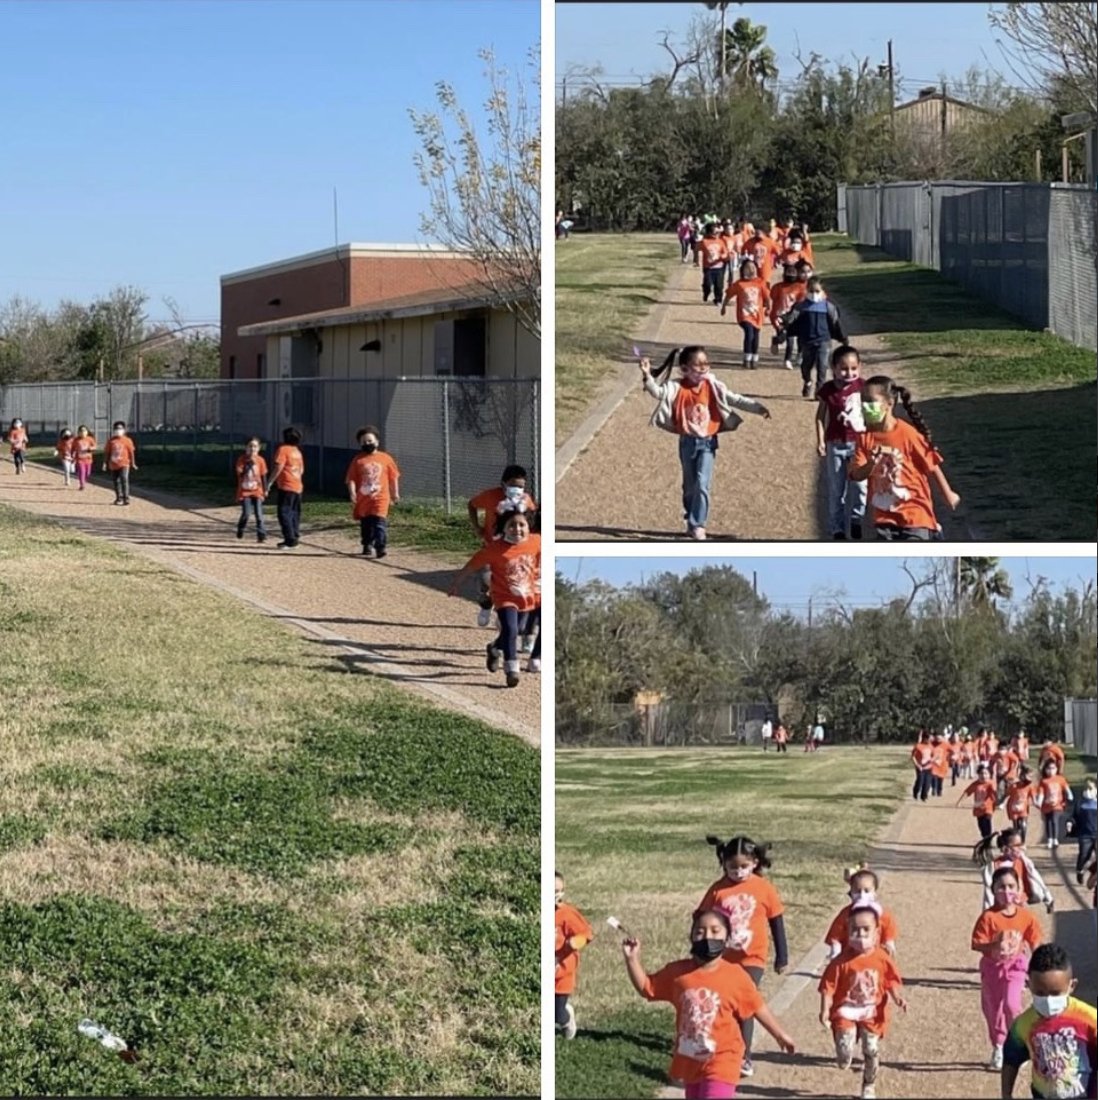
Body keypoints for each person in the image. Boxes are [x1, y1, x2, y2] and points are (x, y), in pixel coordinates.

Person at [621, 908, 796, 1098]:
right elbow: (647, 988)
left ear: (727, 939)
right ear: (691, 938)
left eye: (715, 931)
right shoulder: (678, 974)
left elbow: (756, 1006)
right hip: (691, 1058)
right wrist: (632, 959)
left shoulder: (736, 976)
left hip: (724, 1057)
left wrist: (779, 1034)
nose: (706, 937)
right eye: (699, 932)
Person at [638, 346, 771, 542]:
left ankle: (698, 524)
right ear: (684, 369)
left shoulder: (713, 386)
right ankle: (690, 516)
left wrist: (758, 408)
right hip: (687, 443)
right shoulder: (677, 387)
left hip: (708, 442)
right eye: (697, 365)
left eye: (705, 364)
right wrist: (647, 374)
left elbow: (734, 399)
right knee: (690, 486)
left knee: (702, 483)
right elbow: (657, 392)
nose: (703, 368)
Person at [698, 835, 789, 1078]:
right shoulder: (718, 889)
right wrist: (700, 947)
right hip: (722, 958)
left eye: (744, 867)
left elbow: (776, 922)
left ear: (755, 862)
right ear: (723, 864)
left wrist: (782, 955)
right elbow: (701, 917)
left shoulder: (763, 888)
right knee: (721, 1004)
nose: (738, 872)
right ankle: (721, 1046)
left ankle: (744, 1057)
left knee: (743, 1004)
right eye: (732, 867)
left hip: (752, 958)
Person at [849, 375, 961, 541]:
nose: (866, 407)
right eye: (863, 401)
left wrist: (947, 494)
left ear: (889, 403)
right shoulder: (865, 438)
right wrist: (871, 464)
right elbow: (855, 474)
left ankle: (934, 532)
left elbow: (932, 464)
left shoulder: (907, 434)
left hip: (915, 512)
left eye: (871, 401)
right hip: (884, 516)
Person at [819, 905, 907, 1100]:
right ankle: (843, 1052)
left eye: (866, 929)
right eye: (855, 930)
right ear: (848, 932)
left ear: (876, 933)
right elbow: (828, 987)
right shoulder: (840, 962)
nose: (860, 934)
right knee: (845, 1046)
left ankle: (869, 1085)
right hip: (846, 1009)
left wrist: (897, 997)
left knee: (871, 1049)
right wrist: (825, 1010)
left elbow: (890, 980)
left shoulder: (882, 959)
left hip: (872, 1010)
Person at [448, 508, 541, 686]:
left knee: (517, 629)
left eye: (522, 525)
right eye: (512, 525)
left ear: (529, 527)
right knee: (511, 629)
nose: (517, 529)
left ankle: (494, 647)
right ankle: (511, 668)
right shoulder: (495, 549)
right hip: (503, 596)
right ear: (504, 528)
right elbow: (471, 566)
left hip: (525, 595)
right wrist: (456, 583)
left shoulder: (536, 542)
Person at [971, 866, 1044, 1070]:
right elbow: (976, 943)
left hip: (1016, 966)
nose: (1006, 891)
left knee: (1012, 1005)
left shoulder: (1025, 916)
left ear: (1019, 888)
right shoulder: (988, 917)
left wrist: (1038, 960)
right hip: (992, 968)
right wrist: (993, 946)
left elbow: (1034, 938)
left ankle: (1018, 1045)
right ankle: (999, 1046)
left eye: (1011, 886)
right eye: (1001, 887)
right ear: (993, 890)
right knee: (993, 1010)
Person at [1001, 943, 1096, 1099]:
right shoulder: (1023, 1026)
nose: (1048, 1000)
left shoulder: (1089, 1019)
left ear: (1072, 986)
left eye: (1055, 993)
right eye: (1040, 993)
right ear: (1028, 984)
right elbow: (1011, 1060)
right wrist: (1006, 1094)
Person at [467, 465, 538, 627]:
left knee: (508, 583)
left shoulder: (526, 500)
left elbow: (532, 520)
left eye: (520, 486)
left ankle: (503, 612)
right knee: (486, 580)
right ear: (503, 484)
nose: (517, 489)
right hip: (491, 547)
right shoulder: (491, 496)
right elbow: (471, 505)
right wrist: (477, 527)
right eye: (513, 485)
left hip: (514, 551)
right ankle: (486, 605)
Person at [815, 344, 867, 540]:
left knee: (861, 486)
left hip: (859, 445)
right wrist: (820, 441)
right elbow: (820, 417)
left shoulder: (863, 387)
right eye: (843, 368)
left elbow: (871, 416)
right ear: (834, 368)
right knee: (837, 489)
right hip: (835, 444)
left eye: (853, 368)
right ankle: (837, 528)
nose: (849, 373)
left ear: (859, 367)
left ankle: (856, 518)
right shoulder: (827, 390)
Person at [774, 276, 847, 398]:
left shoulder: (828, 307)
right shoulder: (801, 307)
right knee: (806, 366)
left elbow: (836, 322)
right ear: (807, 291)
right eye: (811, 291)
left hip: (824, 340)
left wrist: (843, 338)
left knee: (822, 366)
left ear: (823, 292)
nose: (814, 294)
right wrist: (783, 321)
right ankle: (807, 381)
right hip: (807, 341)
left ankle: (820, 391)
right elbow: (791, 319)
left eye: (817, 291)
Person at [345, 425, 400, 559]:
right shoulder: (358, 460)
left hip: (381, 497)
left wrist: (395, 493)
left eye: (370, 441)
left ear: (377, 442)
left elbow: (393, 477)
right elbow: (351, 478)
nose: (367, 444)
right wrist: (352, 493)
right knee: (367, 524)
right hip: (364, 499)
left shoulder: (386, 458)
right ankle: (367, 543)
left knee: (380, 523)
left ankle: (380, 547)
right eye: (364, 442)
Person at [824, 866, 898, 959]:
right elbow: (836, 932)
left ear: (874, 891)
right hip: (849, 955)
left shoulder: (882, 913)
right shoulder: (846, 914)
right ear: (851, 891)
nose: (862, 895)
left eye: (867, 890)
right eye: (857, 891)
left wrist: (889, 942)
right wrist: (836, 947)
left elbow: (889, 928)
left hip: (875, 954)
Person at [975, 828, 1054, 913]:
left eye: (1022, 844)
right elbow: (988, 890)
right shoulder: (994, 866)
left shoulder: (1023, 861)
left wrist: (1047, 898)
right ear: (1006, 848)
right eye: (1017, 845)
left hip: (1020, 907)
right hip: (1001, 909)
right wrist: (986, 913)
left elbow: (1035, 876)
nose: (1022, 848)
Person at [554, 872, 593, 1040]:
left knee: (557, 1014)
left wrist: (576, 942)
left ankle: (567, 1019)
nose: (556, 895)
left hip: (562, 973)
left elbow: (587, 933)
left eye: (558, 891)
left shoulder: (567, 914)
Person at [721, 260, 771, 370]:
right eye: (748, 268)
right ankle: (747, 358)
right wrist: (724, 306)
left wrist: (768, 308)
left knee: (756, 335)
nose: (751, 270)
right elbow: (729, 294)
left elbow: (766, 297)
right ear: (743, 270)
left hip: (757, 314)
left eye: (753, 267)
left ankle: (755, 358)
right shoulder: (739, 284)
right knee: (749, 333)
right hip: (744, 314)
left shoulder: (760, 283)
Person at [266, 426, 305, 549]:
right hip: (298, 486)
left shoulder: (283, 450)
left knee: (284, 513)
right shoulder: (297, 451)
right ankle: (295, 535)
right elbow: (302, 470)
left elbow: (279, 467)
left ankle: (290, 539)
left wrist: (270, 482)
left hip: (287, 486)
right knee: (294, 513)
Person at [768, 263, 805, 371]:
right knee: (782, 337)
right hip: (779, 315)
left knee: (791, 339)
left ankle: (787, 360)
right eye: (789, 272)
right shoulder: (778, 287)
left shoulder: (800, 287)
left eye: (793, 273)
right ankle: (776, 340)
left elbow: (800, 302)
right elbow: (773, 297)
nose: (791, 275)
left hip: (792, 317)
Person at [234, 437, 269, 543]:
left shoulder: (261, 460)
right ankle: (241, 528)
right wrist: (248, 465)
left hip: (257, 490)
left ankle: (261, 534)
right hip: (245, 491)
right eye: (250, 446)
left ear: (258, 448)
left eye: (255, 446)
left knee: (259, 514)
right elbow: (240, 474)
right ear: (246, 448)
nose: (252, 449)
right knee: (246, 513)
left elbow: (263, 476)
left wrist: (265, 489)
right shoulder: (242, 460)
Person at [1035, 758, 1073, 850]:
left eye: (1053, 768)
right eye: (1049, 768)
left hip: (1058, 805)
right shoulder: (1044, 781)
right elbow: (1041, 793)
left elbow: (1066, 789)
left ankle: (1055, 839)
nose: (1051, 771)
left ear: (1056, 769)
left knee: (1054, 820)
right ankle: (1050, 839)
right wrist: (1039, 802)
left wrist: (1070, 795)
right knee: (1048, 822)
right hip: (1047, 805)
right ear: (1045, 769)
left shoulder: (1061, 779)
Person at [1064, 776, 1097, 884]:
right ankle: (1080, 870)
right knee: (1084, 854)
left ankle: (1094, 876)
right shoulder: (1080, 804)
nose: (1088, 791)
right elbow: (1073, 816)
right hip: (1085, 835)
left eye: (1090, 789)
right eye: (1085, 789)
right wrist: (1070, 823)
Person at [958, 763, 999, 840]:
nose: (984, 776)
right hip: (978, 808)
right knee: (981, 826)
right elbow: (967, 792)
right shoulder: (976, 784)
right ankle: (985, 838)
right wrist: (960, 801)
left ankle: (988, 840)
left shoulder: (991, 784)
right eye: (981, 774)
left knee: (987, 823)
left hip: (988, 808)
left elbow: (995, 793)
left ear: (989, 775)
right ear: (978, 775)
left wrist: (997, 800)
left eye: (986, 773)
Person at [101, 420, 137, 505]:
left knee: (124, 479)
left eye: (120, 428)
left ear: (124, 430)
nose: (118, 430)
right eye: (116, 428)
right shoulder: (111, 441)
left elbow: (131, 452)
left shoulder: (127, 440)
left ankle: (126, 498)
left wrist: (133, 463)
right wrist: (105, 463)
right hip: (114, 464)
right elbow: (107, 453)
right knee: (116, 481)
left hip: (124, 463)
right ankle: (119, 498)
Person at [1000, 765, 1037, 842]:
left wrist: (1036, 803)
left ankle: (1023, 841)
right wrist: (1002, 803)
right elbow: (1006, 795)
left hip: (1023, 809)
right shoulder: (1014, 786)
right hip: (1013, 808)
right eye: (1027, 776)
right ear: (1021, 776)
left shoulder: (1030, 786)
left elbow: (1033, 797)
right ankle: (1017, 841)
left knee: (1023, 825)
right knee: (1016, 826)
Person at [697, 223, 730, 307]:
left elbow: (725, 252)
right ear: (708, 232)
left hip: (719, 267)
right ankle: (706, 292)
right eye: (713, 232)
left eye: (717, 232)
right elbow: (696, 249)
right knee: (707, 284)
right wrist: (696, 259)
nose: (716, 234)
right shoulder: (704, 242)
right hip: (708, 267)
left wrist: (724, 256)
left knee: (719, 285)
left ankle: (718, 299)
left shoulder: (720, 241)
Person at [911, 731, 935, 802]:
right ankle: (915, 793)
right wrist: (917, 765)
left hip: (928, 767)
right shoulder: (918, 746)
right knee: (920, 781)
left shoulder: (931, 746)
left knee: (927, 783)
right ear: (924, 738)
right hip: (920, 767)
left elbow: (934, 756)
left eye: (930, 739)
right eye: (928, 739)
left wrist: (931, 760)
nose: (929, 740)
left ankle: (923, 797)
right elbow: (913, 756)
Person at [72, 424, 96, 491]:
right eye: (81, 431)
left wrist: (91, 448)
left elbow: (95, 446)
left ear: (87, 432)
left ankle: (83, 479)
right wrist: (73, 456)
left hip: (88, 459)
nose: (83, 432)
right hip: (80, 459)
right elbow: (73, 449)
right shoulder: (76, 440)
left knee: (87, 473)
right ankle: (82, 484)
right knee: (82, 471)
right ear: (78, 432)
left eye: (84, 431)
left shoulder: (90, 439)